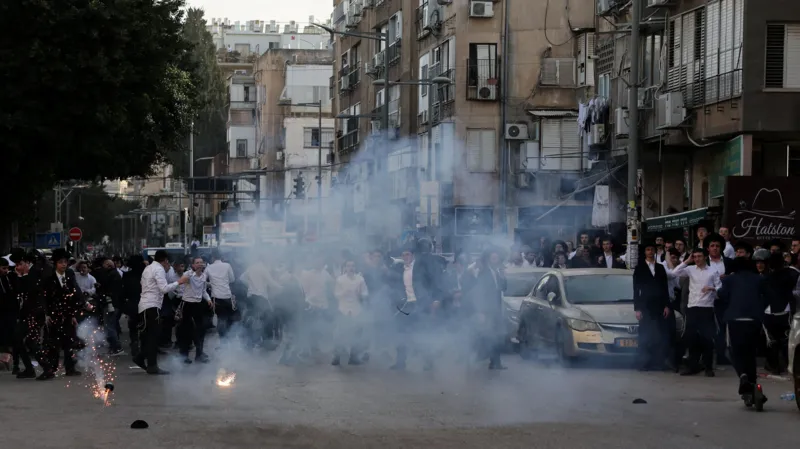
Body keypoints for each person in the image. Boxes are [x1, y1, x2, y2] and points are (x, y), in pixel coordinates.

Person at [717, 257, 768, 402]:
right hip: (754, 319)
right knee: (750, 352)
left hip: (735, 319)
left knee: (735, 350)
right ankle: (752, 383)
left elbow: (722, 295)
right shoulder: (759, 279)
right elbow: (767, 296)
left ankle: (743, 375)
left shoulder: (729, 280)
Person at [133, 249, 188, 375]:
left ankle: (142, 358)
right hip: (151, 306)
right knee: (154, 336)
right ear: (165, 260)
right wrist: (179, 282)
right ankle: (151, 365)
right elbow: (164, 289)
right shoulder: (158, 269)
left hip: (146, 305)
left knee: (150, 335)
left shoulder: (148, 268)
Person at [671, 248, 722, 377]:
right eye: (695, 257)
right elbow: (674, 273)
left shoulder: (713, 271)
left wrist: (712, 289)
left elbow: (720, 288)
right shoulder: (690, 269)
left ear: (705, 257)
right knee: (691, 338)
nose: (697, 259)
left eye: (699, 256)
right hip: (692, 307)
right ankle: (692, 366)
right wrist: (687, 261)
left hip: (706, 308)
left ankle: (708, 367)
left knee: (707, 338)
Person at [39, 248, 83, 380]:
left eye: (65, 262)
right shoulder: (48, 277)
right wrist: (46, 314)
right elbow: (44, 297)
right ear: (55, 263)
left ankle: (70, 367)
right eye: (60, 262)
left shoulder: (70, 274)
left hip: (68, 313)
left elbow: (75, 293)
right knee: (53, 342)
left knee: (69, 341)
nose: (64, 265)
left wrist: (74, 313)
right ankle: (52, 368)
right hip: (54, 314)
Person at [633, 242, 671, 371]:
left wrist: (667, 305)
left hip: (659, 305)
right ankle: (643, 362)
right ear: (644, 252)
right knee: (645, 334)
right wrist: (637, 308)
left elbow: (665, 288)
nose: (650, 252)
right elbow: (635, 289)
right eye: (648, 249)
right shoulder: (639, 268)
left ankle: (659, 362)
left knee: (660, 334)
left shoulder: (660, 268)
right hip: (645, 306)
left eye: (652, 249)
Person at [332, 258, 369, 366]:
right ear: (345, 268)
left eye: (352, 266)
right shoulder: (340, 279)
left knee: (356, 334)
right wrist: (344, 292)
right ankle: (337, 357)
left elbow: (365, 293)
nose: (351, 268)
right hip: (343, 309)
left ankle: (353, 357)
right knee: (340, 334)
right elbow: (336, 295)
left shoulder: (360, 279)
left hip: (356, 309)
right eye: (348, 266)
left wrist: (360, 295)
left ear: (355, 267)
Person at [177, 256, 213, 364]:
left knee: (201, 330)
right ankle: (184, 356)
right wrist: (194, 273)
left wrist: (208, 299)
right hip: (188, 304)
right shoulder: (188, 274)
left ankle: (199, 354)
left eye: (201, 262)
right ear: (193, 265)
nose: (200, 264)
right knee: (186, 331)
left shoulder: (204, 276)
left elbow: (203, 291)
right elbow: (180, 285)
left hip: (198, 305)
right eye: (197, 263)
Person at [206, 250, 236, 340]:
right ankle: (229, 339)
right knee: (229, 318)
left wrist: (211, 284)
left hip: (216, 297)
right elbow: (232, 279)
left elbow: (203, 281)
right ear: (221, 257)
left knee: (220, 318)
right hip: (227, 296)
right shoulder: (227, 265)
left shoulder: (209, 267)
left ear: (213, 257)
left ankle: (223, 341)